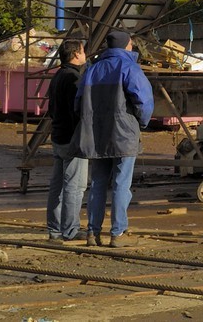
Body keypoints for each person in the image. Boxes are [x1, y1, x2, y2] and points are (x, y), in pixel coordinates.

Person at [76, 29, 153, 248]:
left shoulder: (92, 69)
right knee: (121, 184)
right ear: (127, 45)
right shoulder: (130, 68)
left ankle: (92, 232)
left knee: (98, 183)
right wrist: (141, 124)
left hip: (96, 133)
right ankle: (118, 233)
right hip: (124, 134)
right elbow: (144, 102)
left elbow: (78, 101)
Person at [44, 38, 87, 242]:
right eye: (83, 51)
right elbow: (77, 112)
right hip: (72, 138)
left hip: (58, 135)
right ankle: (70, 230)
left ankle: (54, 229)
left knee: (58, 184)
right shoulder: (74, 78)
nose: (85, 54)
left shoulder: (58, 75)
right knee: (75, 186)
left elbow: (51, 108)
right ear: (76, 54)